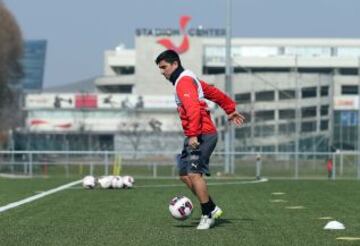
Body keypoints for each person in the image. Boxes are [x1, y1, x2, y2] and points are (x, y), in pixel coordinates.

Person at [155, 50, 245, 230]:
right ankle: (211, 207)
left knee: (194, 174)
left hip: (202, 134)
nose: (162, 72)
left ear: (175, 64)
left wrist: (194, 134)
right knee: (183, 173)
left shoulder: (184, 81)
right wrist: (229, 109)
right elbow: (214, 92)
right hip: (195, 133)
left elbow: (193, 109)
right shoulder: (188, 78)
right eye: (160, 68)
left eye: (164, 67)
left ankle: (207, 213)